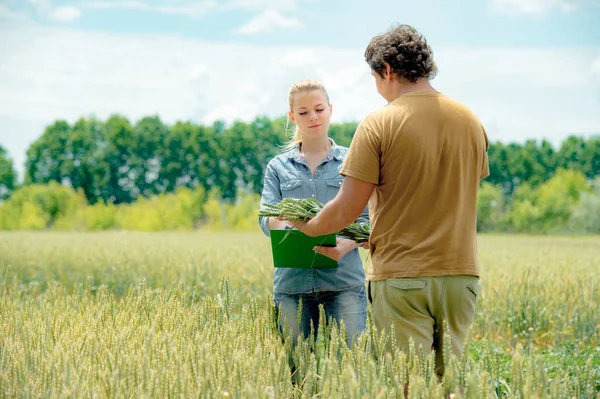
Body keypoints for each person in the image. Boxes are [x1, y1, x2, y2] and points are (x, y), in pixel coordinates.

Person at [284, 25, 490, 378]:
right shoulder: (470, 120)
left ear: (388, 71)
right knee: (452, 383)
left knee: (408, 383)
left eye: (376, 78)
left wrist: (310, 227)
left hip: (402, 278)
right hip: (461, 277)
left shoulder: (380, 122)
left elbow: (348, 208)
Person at [258, 79, 369, 352]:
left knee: (350, 370)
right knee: (297, 372)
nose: (313, 117)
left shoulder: (353, 160)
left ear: (330, 109)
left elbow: (368, 218)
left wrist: (347, 244)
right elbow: (265, 220)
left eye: (319, 109)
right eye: (304, 112)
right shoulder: (277, 166)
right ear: (292, 116)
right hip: (292, 283)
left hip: (344, 281)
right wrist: (287, 219)